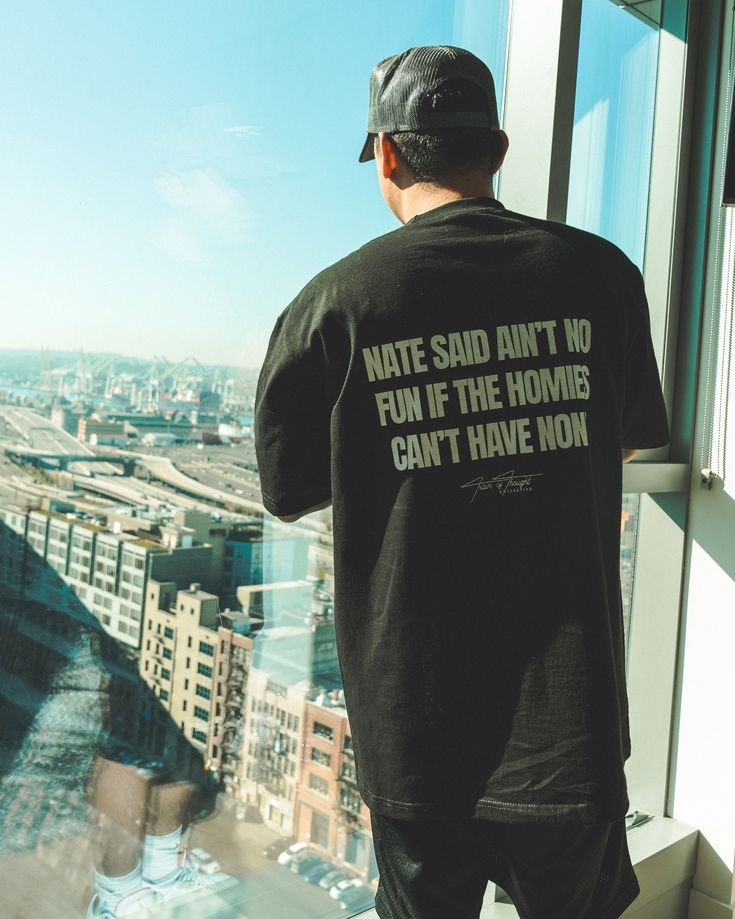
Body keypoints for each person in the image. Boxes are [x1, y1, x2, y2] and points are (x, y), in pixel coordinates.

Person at [253, 44, 670, 919]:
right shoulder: (603, 278)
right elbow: (626, 444)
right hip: (570, 722)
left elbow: (289, 490)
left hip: (416, 733)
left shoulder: (333, 304)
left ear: (390, 155)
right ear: (501, 148)